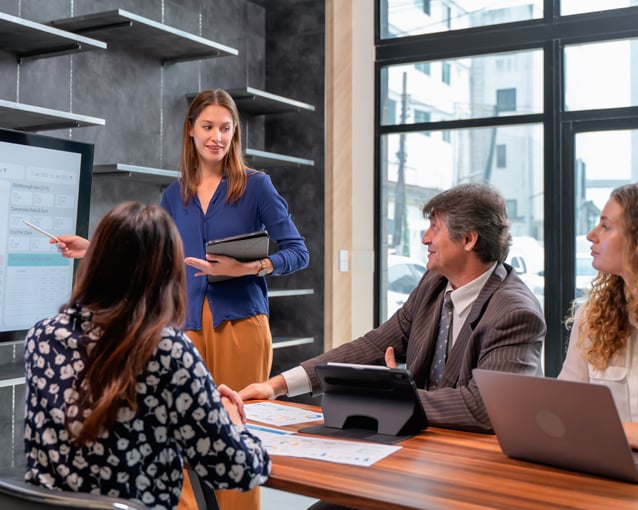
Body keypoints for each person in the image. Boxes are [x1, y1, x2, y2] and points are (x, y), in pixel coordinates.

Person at [241, 182, 546, 433]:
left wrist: (391, 396)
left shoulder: (515, 313)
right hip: (421, 449)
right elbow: (374, 345)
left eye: (434, 228)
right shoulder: (433, 285)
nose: (425, 238)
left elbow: (484, 406)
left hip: (477, 467)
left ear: (468, 239)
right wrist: (277, 385)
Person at [25, 202, 271, 510]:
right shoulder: (167, 349)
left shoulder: (41, 337)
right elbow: (237, 469)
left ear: (94, 262)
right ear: (167, 274)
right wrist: (229, 418)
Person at [160, 88, 309, 510]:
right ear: (191, 131)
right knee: (184, 436)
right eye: (208, 127)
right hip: (184, 327)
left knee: (235, 436)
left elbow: (297, 251)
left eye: (226, 128)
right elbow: (151, 250)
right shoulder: (175, 195)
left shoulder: (256, 186)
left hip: (241, 325)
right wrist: (93, 247)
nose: (217, 137)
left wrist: (248, 268)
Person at [558, 183, 638, 448]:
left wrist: (617, 432)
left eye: (606, 226)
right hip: (604, 466)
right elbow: (565, 403)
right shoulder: (592, 314)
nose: (591, 235)